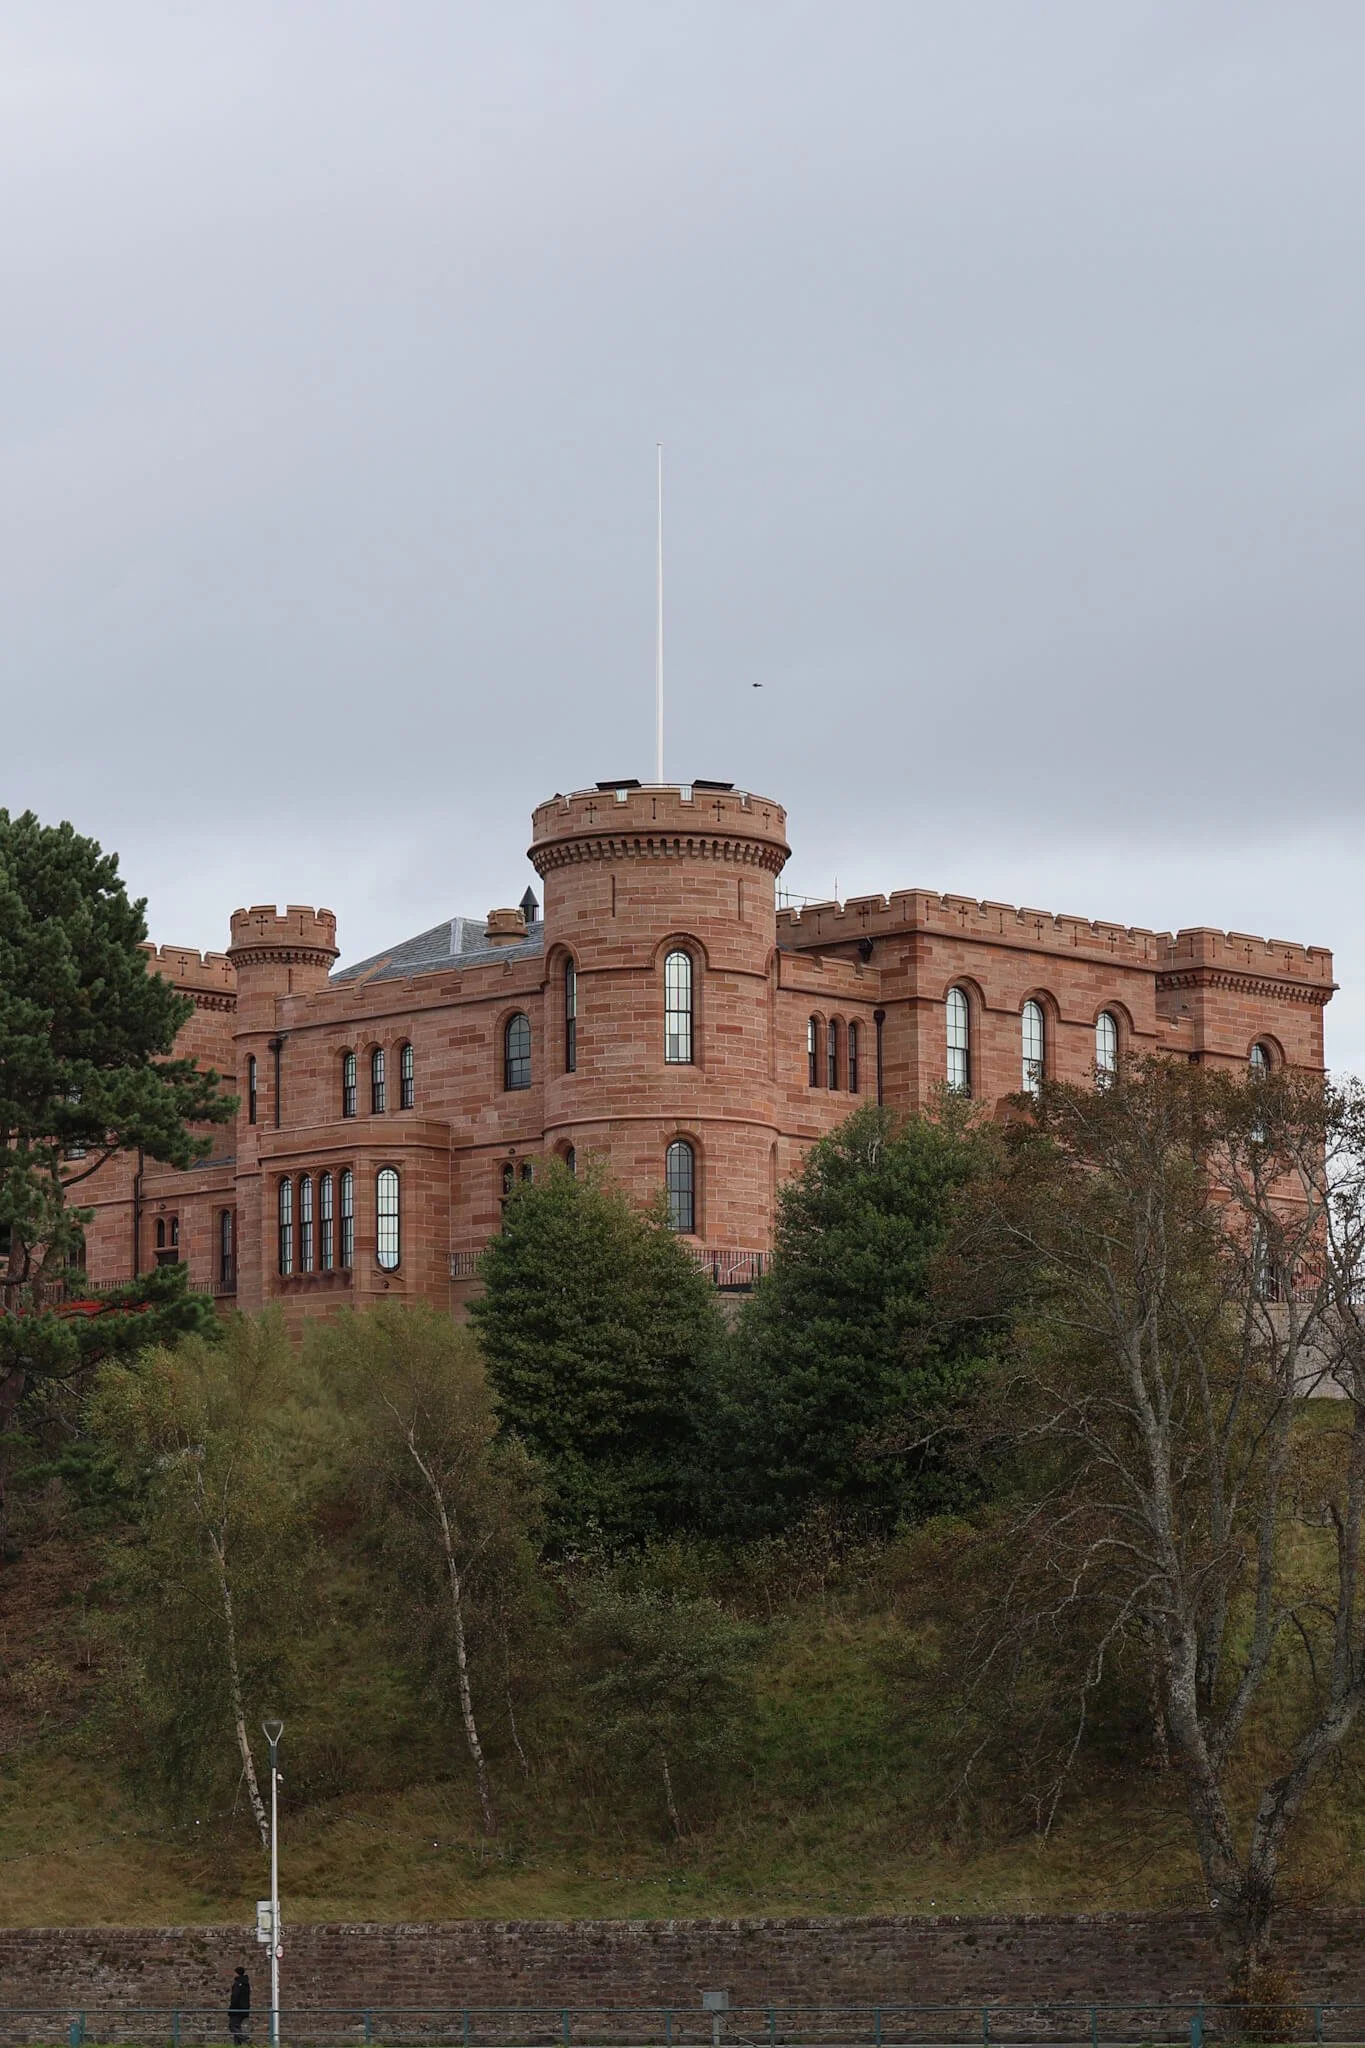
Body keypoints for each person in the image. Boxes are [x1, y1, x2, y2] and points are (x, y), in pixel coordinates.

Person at [229, 1966, 251, 2044]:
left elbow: (235, 1997)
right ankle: (237, 2044)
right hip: (244, 2008)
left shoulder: (238, 1984)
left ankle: (244, 2039)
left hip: (237, 2008)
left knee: (233, 2026)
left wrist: (232, 2008)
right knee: (237, 2026)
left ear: (236, 1974)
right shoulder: (246, 1983)